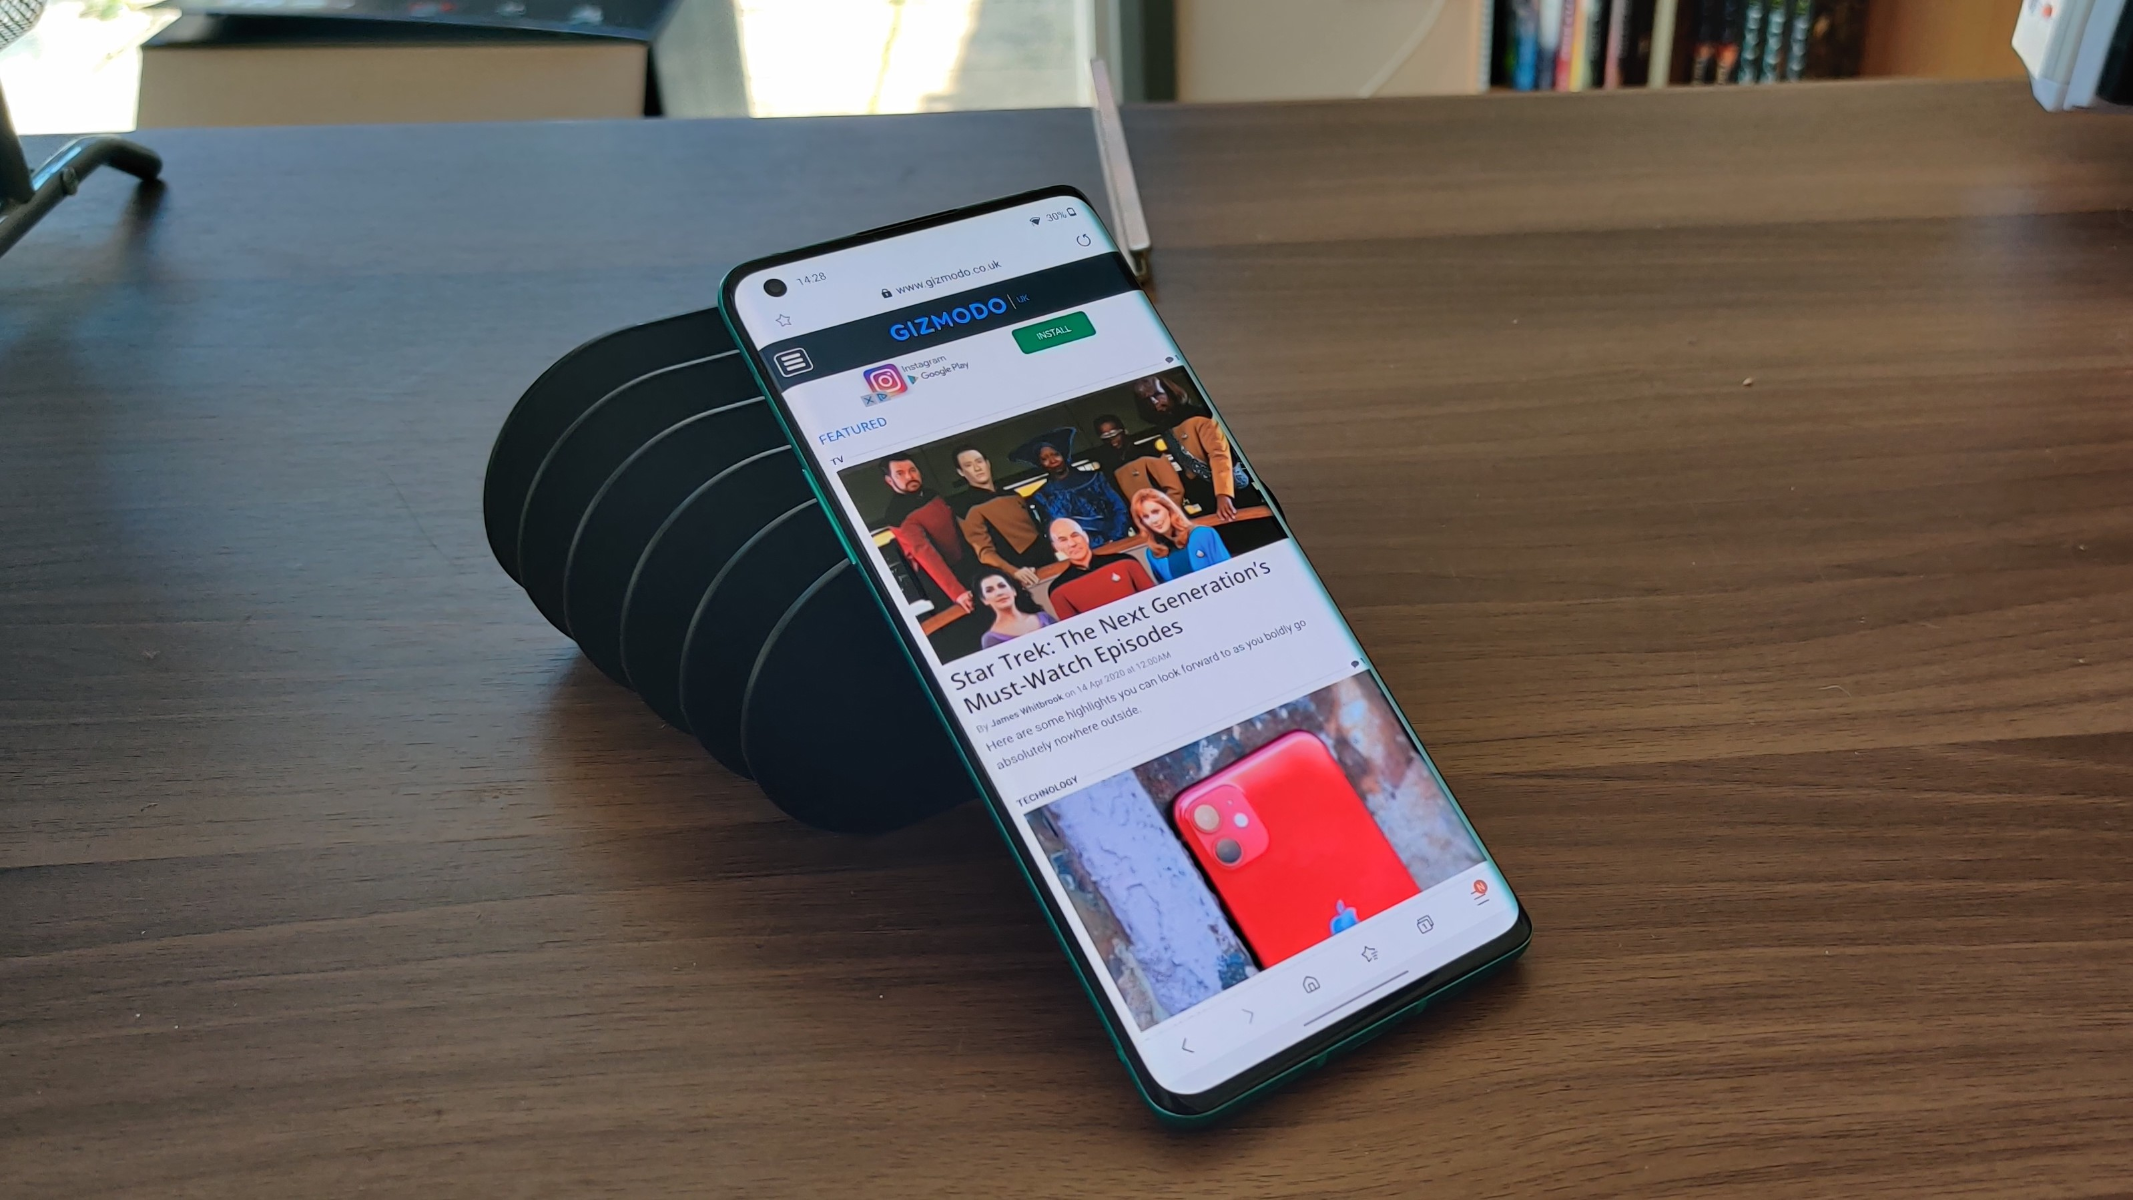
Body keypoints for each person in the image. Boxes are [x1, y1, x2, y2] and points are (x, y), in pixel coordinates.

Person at [1132, 375, 1241, 523]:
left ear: (1170, 391)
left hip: (1230, 487)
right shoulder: (1165, 425)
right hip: (1203, 491)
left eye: (1157, 394)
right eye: (1146, 400)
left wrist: (1223, 495)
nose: (1155, 402)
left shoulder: (1198, 415)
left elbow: (1219, 455)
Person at [879, 455, 974, 614]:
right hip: (940, 585)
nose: (909, 476)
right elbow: (925, 553)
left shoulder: (931, 494)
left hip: (965, 564)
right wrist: (957, 593)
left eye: (912, 470)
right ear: (890, 481)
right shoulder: (896, 515)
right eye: (900, 474)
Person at [945, 445, 1050, 589]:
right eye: (968, 465)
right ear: (961, 472)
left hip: (1047, 560)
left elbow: (1036, 530)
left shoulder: (1012, 494)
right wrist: (1014, 572)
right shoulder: (966, 507)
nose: (977, 468)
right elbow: (984, 552)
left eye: (979, 461)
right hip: (1017, 574)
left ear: (987, 463)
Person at [1011, 427, 1134, 546]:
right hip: (1080, 549)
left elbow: (1120, 508)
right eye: (1044, 458)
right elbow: (1053, 529)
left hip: (1118, 541)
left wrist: (1116, 537)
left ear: (1064, 455)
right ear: (1040, 463)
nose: (1052, 460)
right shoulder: (1043, 496)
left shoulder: (1096, 478)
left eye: (1055, 454)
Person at [1045, 517, 1156, 619]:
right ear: (1056, 547)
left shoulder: (1125, 562)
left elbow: (1156, 602)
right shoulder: (1057, 590)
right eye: (1063, 540)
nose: (1072, 543)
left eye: (1075, 535)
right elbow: (1075, 630)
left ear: (1085, 536)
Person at [1130, 487, 1231, 583]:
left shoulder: (1203, 534)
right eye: (1146, 517)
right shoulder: (1153, 553)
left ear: (1169, 509)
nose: (1153, 520)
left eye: (1156, 512)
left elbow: (1229, 573)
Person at [1088, 413, 1185, 511]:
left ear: (1124, 431)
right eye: (1105, 438)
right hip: (1141, 516)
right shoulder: (1109, 464)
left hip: (1166, 512)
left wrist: (1168, 511)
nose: (1112, 441)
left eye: (1115, 434)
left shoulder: (1148, 451)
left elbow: (1175, 489)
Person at [975, 571, 1055, 649]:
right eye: (989, 590)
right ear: (984, 600)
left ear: (1014, 591)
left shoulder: (1044, 617)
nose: (999, 593)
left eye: (1002, 586)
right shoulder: (990, 639)